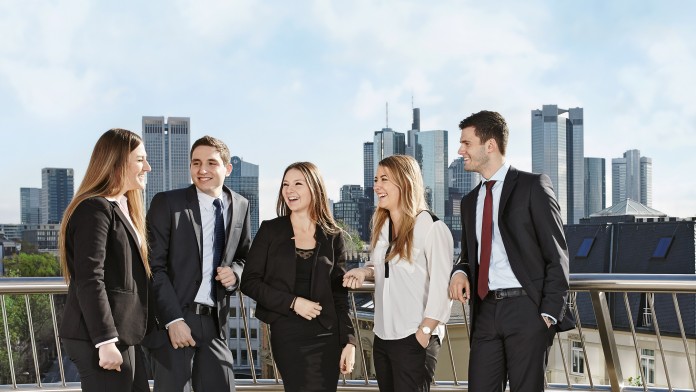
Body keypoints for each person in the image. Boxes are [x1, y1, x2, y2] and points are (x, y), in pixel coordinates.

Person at [447, 110, 572, 392]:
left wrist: (548, 316)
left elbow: (557, 256)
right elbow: (468, 255)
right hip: (485, 312)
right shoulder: (469, 202)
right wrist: (458, 271)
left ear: (489, 145)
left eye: (466, 143)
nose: (460, 150)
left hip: (527, 311)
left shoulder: (533, 186)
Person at [141, 135, 251, 392]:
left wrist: (235, 273)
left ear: (227, 168)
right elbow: (153, 267)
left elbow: (245, 257)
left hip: (215, 323)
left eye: (211, 163)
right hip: (176, 320)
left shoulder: (241, 205)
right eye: (196, 163)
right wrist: (173, 320)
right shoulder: (167, 203)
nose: (202, 170)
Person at [240, 162, 356, 392]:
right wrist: (293, 303)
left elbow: (339, 295)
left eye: (297, 184)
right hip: (288, 332)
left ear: (314, 188)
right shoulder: (270, 230)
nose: (289, 190)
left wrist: (350, 341)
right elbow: (249, 282)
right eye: (285, 184)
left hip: (327, 334)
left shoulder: (332, 236)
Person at [343, 154, 453, 392]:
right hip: (383, 337)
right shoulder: (383, 227)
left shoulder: (432, 227)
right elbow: (383, 267)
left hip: (414, 338)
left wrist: (423, 333)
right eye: (375, 179)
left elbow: (442, 288)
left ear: (404, 182)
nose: (376, 186)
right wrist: (365, 271)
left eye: (384, 179)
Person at [59, 129, 152, 392]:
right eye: (140, 159)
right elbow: (90, 278)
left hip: (122, 332)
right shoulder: (94, 209)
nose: (147, 166)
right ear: (117, 162)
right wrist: (105, 341)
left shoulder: (121, 206)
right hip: (99, 336)